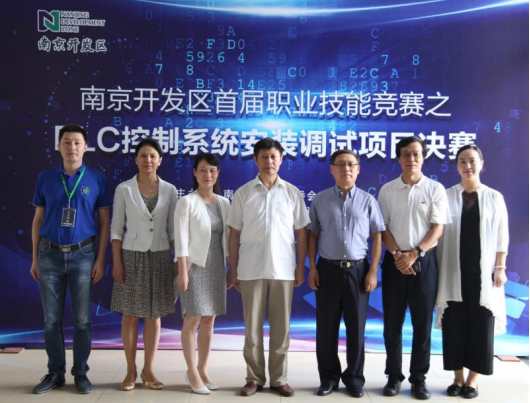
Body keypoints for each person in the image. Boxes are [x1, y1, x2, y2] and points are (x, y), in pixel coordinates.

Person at [30, 124, 111, 394]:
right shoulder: (45, 178)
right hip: (49, 255)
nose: (72, 147)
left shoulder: (97, 179)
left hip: (83, 255)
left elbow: (104, 222)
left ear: (85, 147)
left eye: (77, 142)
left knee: (82, 320)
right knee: (51, 320)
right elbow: (38, 219)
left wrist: (100, 259)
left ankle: (80, 373)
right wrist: (35, 258)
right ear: (59, 146)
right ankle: (55, 373)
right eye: (66, 142)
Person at [227, 138, 310, 397]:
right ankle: (254, 378)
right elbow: (234, 233)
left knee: (281, 328)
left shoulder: (292, 193)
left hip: (283, 270)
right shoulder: (243, 193)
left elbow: (301, 232)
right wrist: (233, 268)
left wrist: (300, 267)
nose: (269, 161)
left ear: (281, 160)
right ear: (255, 160)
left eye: (274, 157)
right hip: (250, 269)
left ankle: (279, 378)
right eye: (264, 157)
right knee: (252, 329)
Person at [377, 136, 450, 400]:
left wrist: (415, 254)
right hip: (394, 261)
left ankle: (419, 378)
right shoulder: (387, 190)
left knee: (422, 324)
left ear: (423, 157)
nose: (411, 159)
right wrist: (399, 255)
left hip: (424, 262)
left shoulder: (435, 189)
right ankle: (393, 376)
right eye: (406, 154)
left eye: (416, 154)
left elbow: (437, 228)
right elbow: (382, 228)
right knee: (392, 324)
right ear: (399, 158)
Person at [307, 149, 385, 398]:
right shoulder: (320, 200)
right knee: (326, 328)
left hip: (358, 271)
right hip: (327, 270)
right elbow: (312, 235)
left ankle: (354, 379)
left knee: (356, 328)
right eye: (340, 164)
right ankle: (328, 378)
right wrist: (312, 267)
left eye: (351, 164)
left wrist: (373, 271)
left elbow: (377, 237)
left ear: (358, 169)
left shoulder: (368, 201)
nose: (346, 169)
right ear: (332, 169)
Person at [435, 144, 509, 399]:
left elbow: (502, 235)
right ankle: (457, 379)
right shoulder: (446, 196)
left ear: (481, 164)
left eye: (472, 160)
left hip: (484, 275)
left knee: (481, 326)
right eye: (462, 161)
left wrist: (500, 267)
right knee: (454, 325)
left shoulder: (494, 197)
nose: (468, 166)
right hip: (452, 272)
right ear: (456, 166)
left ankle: (472, 381)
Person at [110, 138, 178, 391]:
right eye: (143, 156)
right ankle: (130, 370)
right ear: (136, 160)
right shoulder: (124, 189)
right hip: (131, 256)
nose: (148, 160)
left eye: (152, 156)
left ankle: (149, 369)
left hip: (160, 256)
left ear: (160, 160)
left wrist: (177, 259)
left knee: (154, 315)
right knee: (130, 315)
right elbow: (116, 229)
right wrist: (117, 262)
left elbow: (173, 229)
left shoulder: (170, 190)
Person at [174, 153, 230, 395]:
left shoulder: (224, 203)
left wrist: (231, 269)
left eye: (212, 171)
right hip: (194, 267)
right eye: (203, 170)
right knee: (192, 319)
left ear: (217, 174)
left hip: (217, 266)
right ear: (195, 173)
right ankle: (191, 372)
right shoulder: (186, 202)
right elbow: (181, 239)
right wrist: (182, 272)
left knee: (209, 319)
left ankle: (203, 369)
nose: (208, 175)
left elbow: (228, 239)